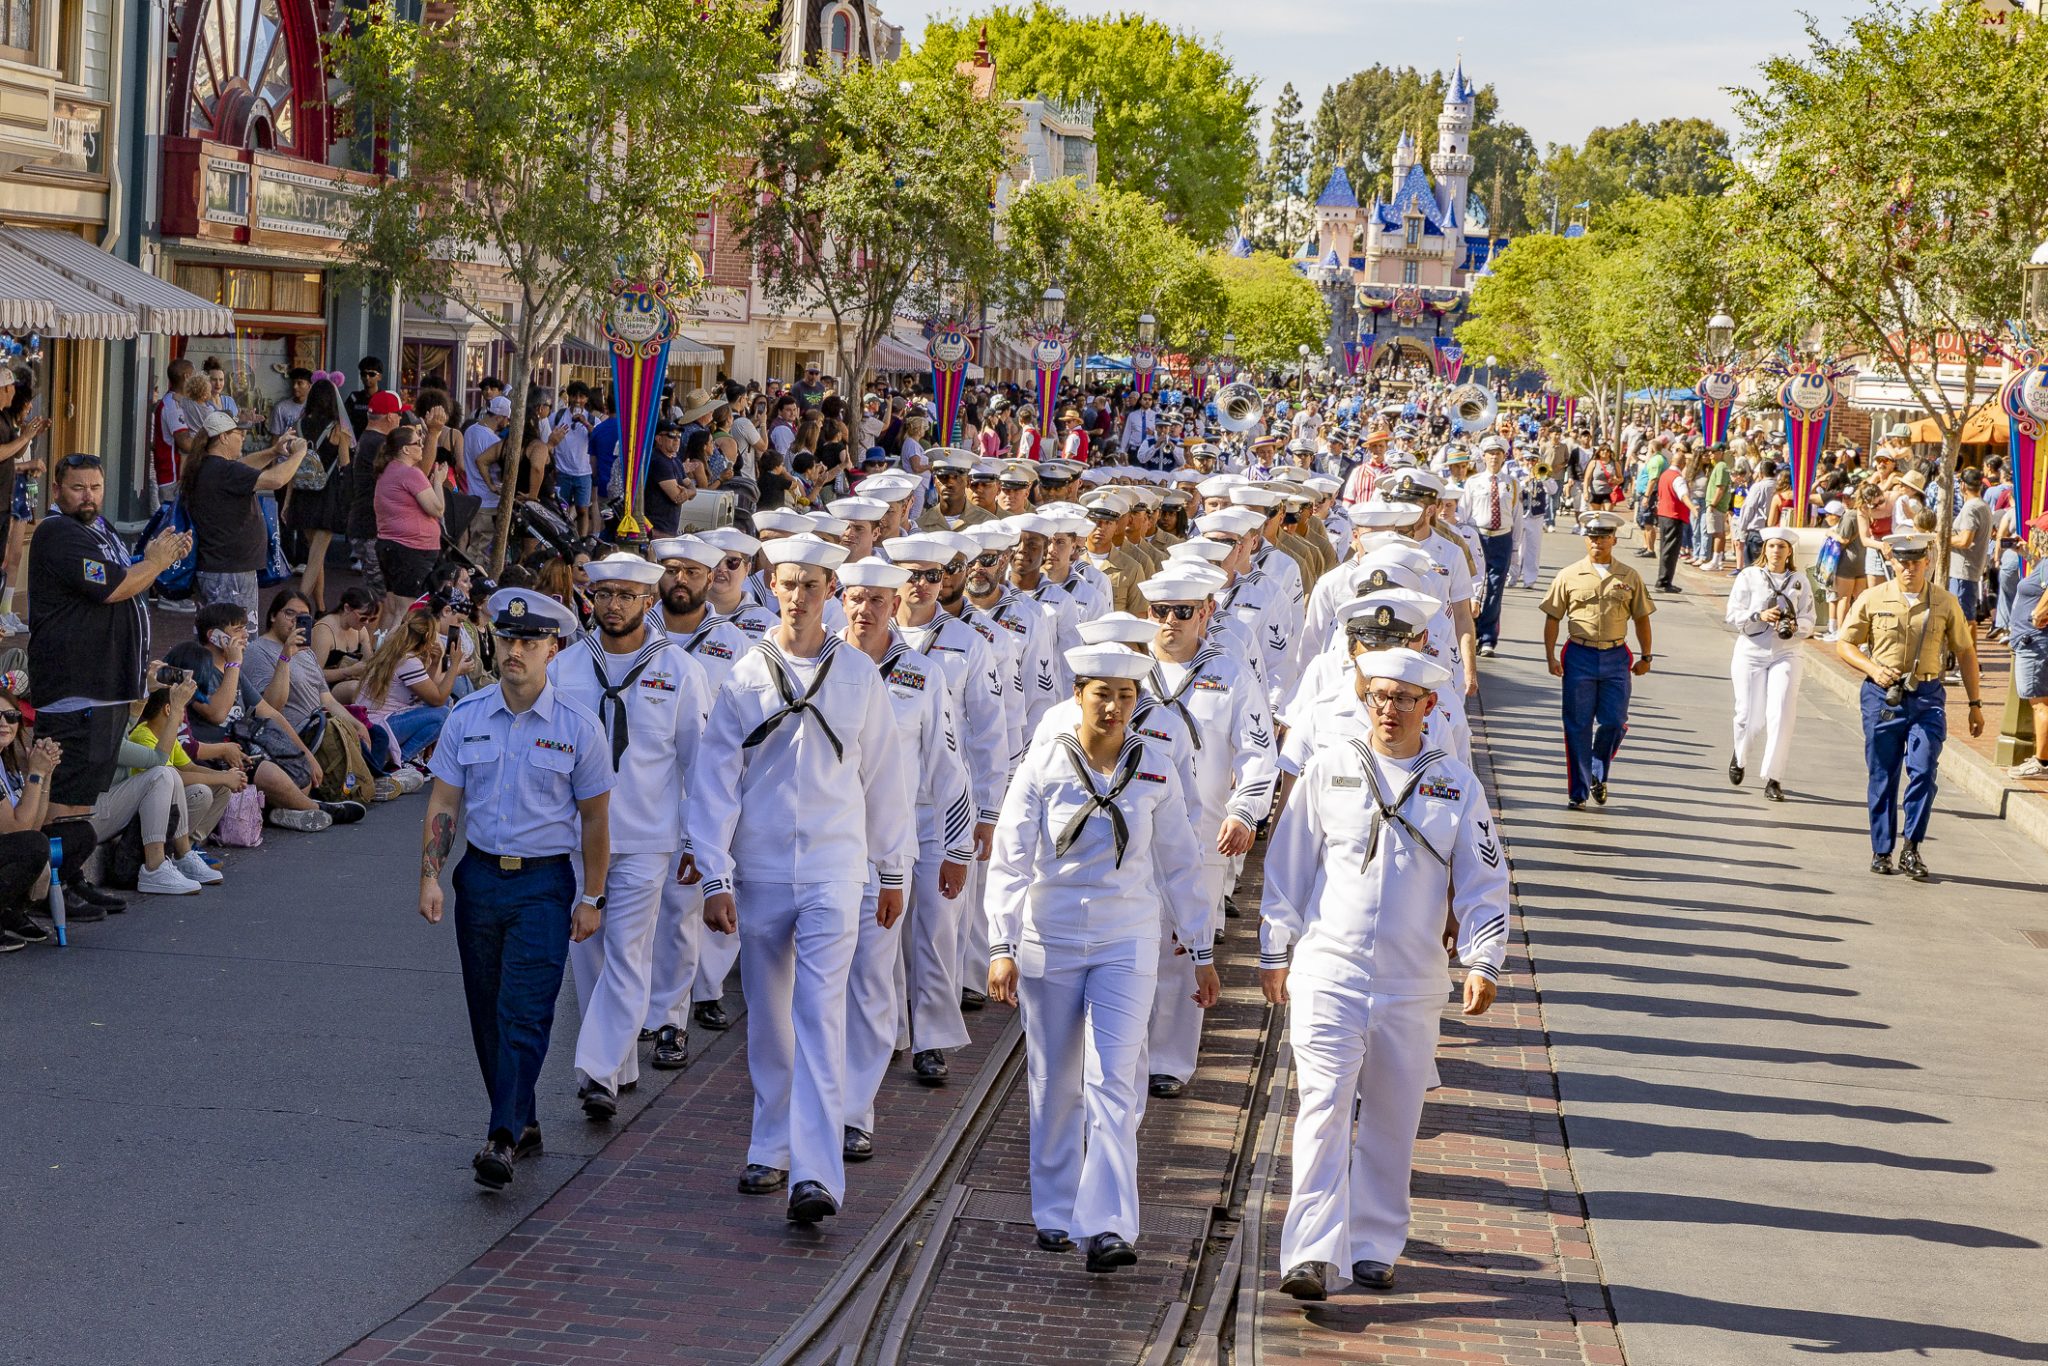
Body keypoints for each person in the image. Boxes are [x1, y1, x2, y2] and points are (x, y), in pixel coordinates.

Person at [1265, 647, 1507, 1301]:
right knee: (1321, 1109)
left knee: (1393, 1119)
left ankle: (1373, 1243)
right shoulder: (1331, 769)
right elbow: (1287, 867)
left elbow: (1486, 882)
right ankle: (1311, 1252)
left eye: (1403, 699)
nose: (1388, 710)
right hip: (1328, 970)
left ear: (1430, 707)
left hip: (1412, 981)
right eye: (1377, 696)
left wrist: (1483, 959)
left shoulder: (1457, 784)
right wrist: (1273, 949)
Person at [688, 533, 912, 1224]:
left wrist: (893, 866)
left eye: (810, 585)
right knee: (770, 1016)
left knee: (819, 1014)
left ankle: (815, 1176)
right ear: (773, 587)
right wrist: (714, 875)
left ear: (830, 593)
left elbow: (885, 777)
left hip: (835, 869)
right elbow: (714, 778)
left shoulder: (858, 675)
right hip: (759, 870)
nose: (797, 596)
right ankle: (770, 1143)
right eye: (785, 583)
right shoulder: (745, 673)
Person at [985, 642, 1217, 1273]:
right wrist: (1001, 946)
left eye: (1126, 695)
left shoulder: (1156, 766)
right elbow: (1008, 858)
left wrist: (1201, 948)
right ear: (1079, 695)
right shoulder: (1045, 761)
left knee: (1113, 1080)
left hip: (1126, 939)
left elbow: (1179, 863)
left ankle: (1110, 1223)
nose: (1114, 707)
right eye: (1102, 694)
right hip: (1050, 938)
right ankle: (1055, 1212)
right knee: (1054, 1082)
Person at [419, 588, 612, 1189]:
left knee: (523, 1010)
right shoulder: (467, 716)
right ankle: (523, 1120)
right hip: (479, 877)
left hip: (544, 884)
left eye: (530, 642)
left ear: (553, 649)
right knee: (486, 1011)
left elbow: (596, 820)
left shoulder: (579, 726)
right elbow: (444, 802)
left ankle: (500, 1137)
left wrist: (592, 897)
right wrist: (430, 875)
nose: (516, 651)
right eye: (507, 640)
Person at [546, 552, 708, 1119]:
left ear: (647, 600)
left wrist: (697, 841)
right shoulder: (565, 667)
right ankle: (619, 1062)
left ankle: (596, 1072)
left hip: (647, 836)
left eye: (625, 595)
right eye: (604, 594)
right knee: (586, 953)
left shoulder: (681, 671)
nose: (612, 606)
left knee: (627, 953)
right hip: (575, 836)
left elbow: (699, 765)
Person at [836, 557, 973, 1162]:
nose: (864, 610)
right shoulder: (818, 665)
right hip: (819, 844)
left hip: (892, 843)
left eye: (877, 600)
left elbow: (948, 763)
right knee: (819, 989)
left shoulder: (923, 675)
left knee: (874, 974)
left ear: (895, 606)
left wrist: (958, 844)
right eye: (855, 598)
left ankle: (855, 1111)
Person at [28, 454, 193, 913]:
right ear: (57, 489)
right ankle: (50, 891)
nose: (89, 496)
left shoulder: (99, 531)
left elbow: (127, 578)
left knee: (83, 799)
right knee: (66, 799)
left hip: (106, 689)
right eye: (78, 487)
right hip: (75, 689)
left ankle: (73, 879)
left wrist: (156, 557)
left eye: (96, 487)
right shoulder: (57, 532)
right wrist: (155, 563)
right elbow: (113, 587)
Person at [1835, 533, 1984, 879]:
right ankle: (1881, 849)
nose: (1909, 568)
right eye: (1903, 561)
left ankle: (1912, 847)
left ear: (1927, 563)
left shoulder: (1945, 602)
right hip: (1882, 695)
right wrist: (1873, 668)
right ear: (1892, 562)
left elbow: (1964, 651)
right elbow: (1845, 643)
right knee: (1883, 773)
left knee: (1924, 769)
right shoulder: (1874, 598)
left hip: (1927, 696)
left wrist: (1975, 703)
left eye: (1916, 561)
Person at [1539, 512, 1654, 809]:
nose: (1597, 542)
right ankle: (1578, 793)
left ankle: (1597, 769)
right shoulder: (1568, 575)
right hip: (1579, 653)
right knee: (1577, 725)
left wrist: (1646, 656)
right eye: (1592, 537)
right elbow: (1553, 617)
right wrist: (1550, 655)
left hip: (1616, 655)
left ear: (1614, 540)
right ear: (1585, 540)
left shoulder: (1629, 576)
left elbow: (1642, 618)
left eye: (1603, 537)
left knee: (1614, 721)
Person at [1725, 527, 1816, 802]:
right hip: (1751, 650)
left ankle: (1774, 777)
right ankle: (1740, 756)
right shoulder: (1749, 576)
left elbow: (1810, 618)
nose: (1777, 551)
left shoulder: (1799, 580)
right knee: (1748, 717)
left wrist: (1794, 624)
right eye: (1772, 546)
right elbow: (1732, 613)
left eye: (1782, 547)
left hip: (1786, 652)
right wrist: (1759, 614)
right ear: (1765, 549)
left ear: (1790, 552)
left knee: (1781, 713)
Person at [288, 376, 355, 608]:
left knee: (316, 555)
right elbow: (345, 465)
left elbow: (292, 465)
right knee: (316, 556)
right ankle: (298, 607)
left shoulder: (299, 426)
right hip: (327, 496)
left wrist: (287, 503)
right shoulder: (338, 429)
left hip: (302, 493)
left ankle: (321, 606)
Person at [374, 418, 449, 621]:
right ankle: (396, 651)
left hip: (391, 546)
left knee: (391, 606)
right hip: (411, 549)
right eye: (417, 443)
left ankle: (379, 650)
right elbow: (437, 508)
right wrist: (439, 482)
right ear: (406, 449)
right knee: (407, 610)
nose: (422, 446)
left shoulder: (388, 471)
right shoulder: (410, 473)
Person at [1458, 437, 1518, 656]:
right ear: (1483, 456)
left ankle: (1488, 638)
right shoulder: (1473, 482)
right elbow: (1464, 513)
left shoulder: (1511, 483)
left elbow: (1516, 517)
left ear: (1504, 456)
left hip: (1502, 537)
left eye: (1498, 453)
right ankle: (1470, 631)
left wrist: (1515, 552)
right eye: (1490, 453)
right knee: (1474, 586)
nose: (1494, 457)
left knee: (1494, 589)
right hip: (1478, 536)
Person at [2006, 513, 2048, 780]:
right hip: (2032, 639)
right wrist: (2029, 557)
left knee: (2039, 703)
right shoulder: (2043, 562)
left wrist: (2037, 613)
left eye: (2037, 532)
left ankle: (2042, 762)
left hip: (2034, 640)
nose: (2034, 535)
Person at [311, 587, 378, 704]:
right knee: (358, 689)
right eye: (363, 617)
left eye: (371, 619)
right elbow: (313, 675)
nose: (366, 623)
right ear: (347, 608)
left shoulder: (360, 629)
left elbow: (370, 663)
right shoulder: (324, 630)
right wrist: (350, 671)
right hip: (323, 688)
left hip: (347, 682)